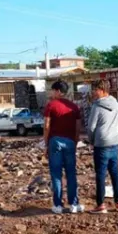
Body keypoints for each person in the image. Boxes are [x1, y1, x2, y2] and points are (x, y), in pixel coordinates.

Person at [43, 80, 83, 214]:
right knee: (71, 174)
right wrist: (75, 142)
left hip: (55, 142)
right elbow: (78, 128)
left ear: (58, 91)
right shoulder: (74, 107)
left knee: (56, 174)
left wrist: (46, 143)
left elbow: (47, 126)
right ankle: (74, 204)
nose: (52, 93)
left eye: (53, 91)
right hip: (70, 142)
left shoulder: (51, 105)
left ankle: (58, 205)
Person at [87, 79, 118, 214]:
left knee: (101, 175)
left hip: (101, 144)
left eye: (95, 89)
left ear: (101, 90)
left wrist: (91, 141)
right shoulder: (116, 104)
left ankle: (101, 205)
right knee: (115, 173)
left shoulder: (97, 106)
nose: (93, 92)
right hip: (114, 143)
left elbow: (91, 127)